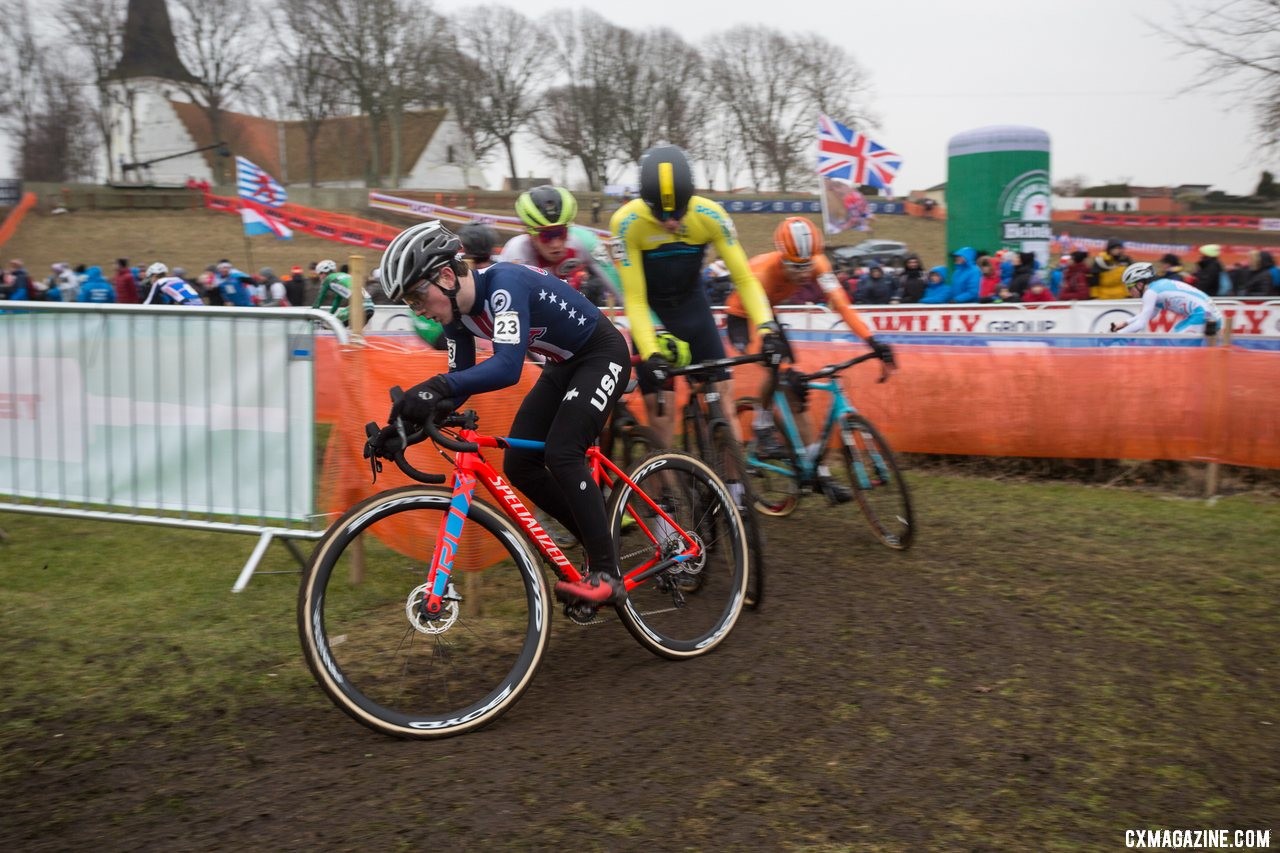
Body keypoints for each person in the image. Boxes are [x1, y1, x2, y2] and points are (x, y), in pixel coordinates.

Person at [378, 220, 631, 605]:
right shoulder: (456, 318)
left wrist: (437, 389)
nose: (418, 311)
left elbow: (508, 366)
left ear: (446, 275)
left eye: (416, 298)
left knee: (563, 453)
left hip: (601, 353)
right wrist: (403, 425)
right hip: (563, 365)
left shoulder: (503, 286)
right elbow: (458, 382)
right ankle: (596, 539)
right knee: (520, 465)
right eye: (409, 304)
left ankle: (607, 575)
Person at [610, 144, 786, 448]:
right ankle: (665, 493)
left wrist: (767, 328)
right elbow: (636, 299)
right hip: (654, 318)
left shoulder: (711, 215)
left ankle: (735, 489)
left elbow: (744, 278)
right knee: (661, 412)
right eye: (660, 213)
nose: (670, 222)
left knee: (725, 397)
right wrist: (651, 352)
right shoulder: (626, 223)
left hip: (694, 310)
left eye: (678, 211)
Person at [726, 217, 893, 501]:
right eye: (795, 266)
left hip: (769, 314)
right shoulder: (764, 273)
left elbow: (841, 304)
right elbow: (759, 326)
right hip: (745, 318)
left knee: (796, 397)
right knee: (777, 369)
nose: (803, 273)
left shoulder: (819, 265)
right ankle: (762, 424)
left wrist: (873, 340)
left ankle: (819, 473)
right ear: (782, 256)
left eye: (807, 265)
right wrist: (786, 368)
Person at [500, 185, 614, 306]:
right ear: (529, 234)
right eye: (546, 236)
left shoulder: (584, 240)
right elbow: (508, 306)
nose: (556, 244)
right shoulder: (516, 252)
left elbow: (620, 291)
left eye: (561, 233)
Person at [1110, 262, 1222, 336]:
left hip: (1203, 315)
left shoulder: (1150, 292)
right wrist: (1124, 323)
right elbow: (1149, 315)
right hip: (1208, 314)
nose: (1128, 292)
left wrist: (1114, 335)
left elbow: (1140, 324)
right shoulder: (1156, 287)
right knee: (1172, 338)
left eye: (1129, 287)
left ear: (1139, 284)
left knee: (1173, 343)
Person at [313, 259, 374, 326]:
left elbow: (319, 300)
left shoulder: (328, 279)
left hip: (359, 306)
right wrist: (330, 315)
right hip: (370, 306)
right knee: (355, 334)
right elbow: (337, 301)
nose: (320, 277)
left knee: (330, 324)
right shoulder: (342, 276)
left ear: (323, 273)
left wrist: (311, 314)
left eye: (319, 274)